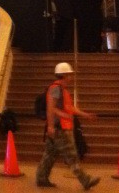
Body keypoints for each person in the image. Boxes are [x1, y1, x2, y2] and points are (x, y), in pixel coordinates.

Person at [36, 62, 100, 190]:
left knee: (49, 155)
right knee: (72, 155)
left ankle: (41, 178)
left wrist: (85, 115)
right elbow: (51, 108)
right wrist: (52, 124)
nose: (71, 77)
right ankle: (85, 180)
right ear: (64, 75)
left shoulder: (63, 90)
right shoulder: (55, 88)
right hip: (60, 128)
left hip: (60, 127)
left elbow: (69, 107)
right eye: (69, 74)